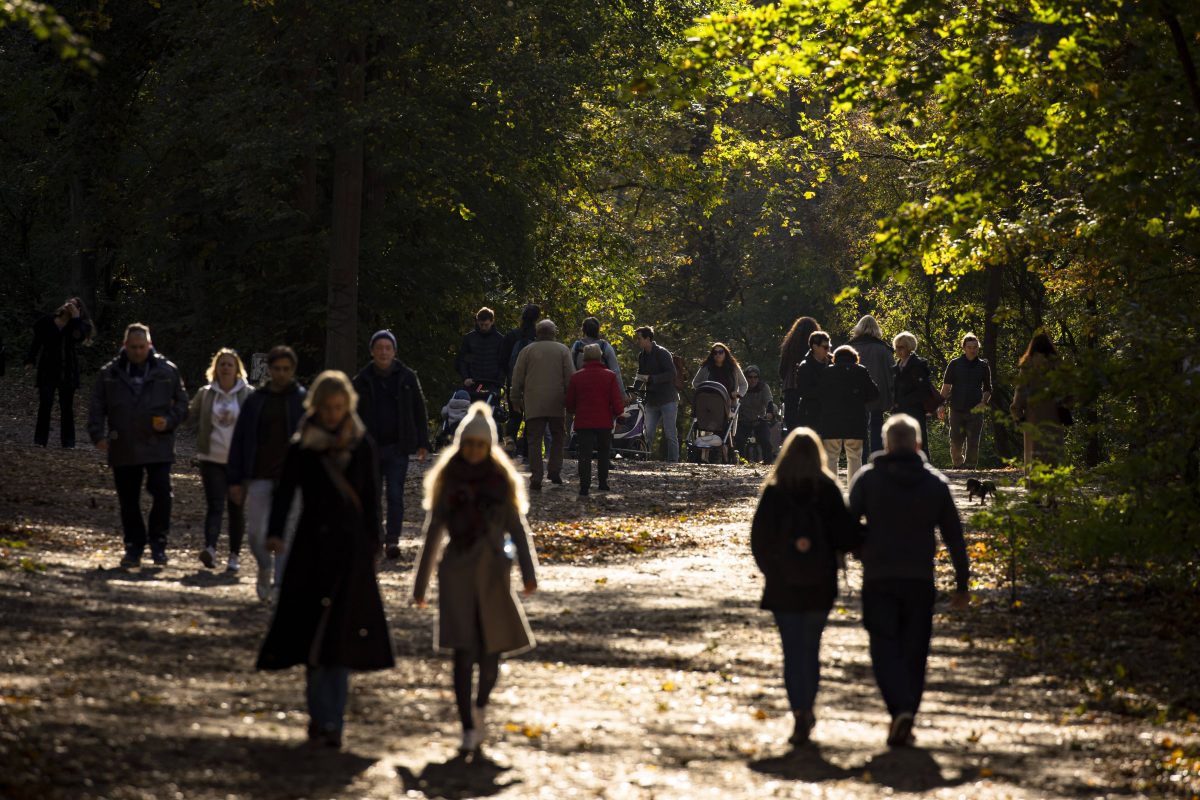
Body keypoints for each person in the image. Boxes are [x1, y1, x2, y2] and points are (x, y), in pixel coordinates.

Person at [256, 370, 393, 749]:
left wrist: (375, 542)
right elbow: (285, 492)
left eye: (338, 407)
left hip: (350, 551)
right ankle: (319, 716)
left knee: (341, 636)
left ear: (346, 406)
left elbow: (370, 499)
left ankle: (334, 721)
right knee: (313, 635)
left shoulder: (361, 445)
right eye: (327, 408)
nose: (333, 414)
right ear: (316, 407)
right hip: (311, 550)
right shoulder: (304, 446)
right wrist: (276, 532)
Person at [413, 402, 538, 754]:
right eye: (468, 443)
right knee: (462, 653)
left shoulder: (501, 482)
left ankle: (481, 704)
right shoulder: (448, 480)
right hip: (457, 576)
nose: (473, 450)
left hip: (494, 576)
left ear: (490, 446)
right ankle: (466, 724)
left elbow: (518, 529)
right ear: (460, 443)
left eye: (480, 444)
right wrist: (420, 586)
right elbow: (433, 534)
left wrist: (529, 574)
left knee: (491, 653)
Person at [848, 414, 970, 747]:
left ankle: (898, 709)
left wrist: (860, 548)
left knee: (883, 646)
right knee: (915, 651)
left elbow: (846, 526)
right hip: (919, 578)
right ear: (917, 444)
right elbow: (954, 537)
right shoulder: (934, 484)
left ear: (886, 443)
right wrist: (962, 583)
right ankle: (908, 713)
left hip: (879, 576)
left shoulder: (868, 479)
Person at [750, 428, 862, 746]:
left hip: (783, 586)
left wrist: (772, 572)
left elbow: (759, 540)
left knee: (791, 652)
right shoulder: (827, 489)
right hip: (819, 585)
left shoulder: (774, 489)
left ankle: (798, 711)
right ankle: (808, 706)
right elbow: (846, 536)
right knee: (810, 650)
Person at [87, 323, 188, 567]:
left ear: (149, 345)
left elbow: (183, 404)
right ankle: (134, 546)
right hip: (124, 444)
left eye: (142, 347)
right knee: (128, 499)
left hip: (159, 444)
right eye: (133, 347)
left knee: (162, 494)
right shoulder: (109, 373)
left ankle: (158, 544)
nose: (138, 351)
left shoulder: (167, 371)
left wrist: (170, 421)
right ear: (125, 346)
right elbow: (96, 406)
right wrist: (97, 434)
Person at [227, 345, 307, 601]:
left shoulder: (302, 400)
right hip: (259, 475)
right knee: (255, 533)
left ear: (293, 370)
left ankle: (279, 584)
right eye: (277, 369)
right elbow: (240, 440)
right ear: (269, 370)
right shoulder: (256, 400)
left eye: (286, 369)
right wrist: (236, 479)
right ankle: (264, 566)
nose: (281, 374)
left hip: (292, 478)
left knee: (286, 531)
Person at [352, 330, 431, 560]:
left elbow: (419, 410)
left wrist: (422, 442)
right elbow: (352, 412)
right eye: (379, 348)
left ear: (394, 351)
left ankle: (392, 540)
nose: (383, 352)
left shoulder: (407, 377)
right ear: (372, 351)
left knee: (395, 494)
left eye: (388, 348)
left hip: (398, 447)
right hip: (370, 447)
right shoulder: (362, 379)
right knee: (372, 495)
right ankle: (376, 537)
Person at [186, 348, 251, 571]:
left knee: (236, 508)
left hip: (239, 462)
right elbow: (190, 417)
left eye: (229, 364)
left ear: (237, 369)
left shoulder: (248, 394)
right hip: (211, 458)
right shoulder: (206, 393)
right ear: (215, 368)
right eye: (222, 364)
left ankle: (234, 556)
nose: (225, 368)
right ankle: (210, 549)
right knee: (214, 505)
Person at [510, 319, 575, 491]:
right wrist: (572, 400)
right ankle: (554, 471)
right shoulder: (562, 350)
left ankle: (536, 476)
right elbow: (570, 377)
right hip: (556, 401)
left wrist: (515, 398)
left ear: (537, 332)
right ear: (554, 332)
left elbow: (517, 376)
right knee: (558, 436)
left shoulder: (527, 350)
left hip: (533, 402)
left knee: (534, 440)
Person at [26, 297, 93, 448]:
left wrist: (76, 318)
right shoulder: (47, 321)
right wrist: (30, 359)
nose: (69, 306)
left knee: (66, 407)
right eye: (68, 303)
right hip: (47, 369)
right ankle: (40, 441)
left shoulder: (77, 325)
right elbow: (37, 341)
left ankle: (68, 443)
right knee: (45, 403)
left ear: (78, 310)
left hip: (67, 371)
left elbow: (79, 338)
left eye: (74, 305)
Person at [566, 343, 626, 497]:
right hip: (604, 421)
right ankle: (603, 482)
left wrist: (573, 411)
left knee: (584, 454)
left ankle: (584, 487)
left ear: (584, 358)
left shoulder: (576, 377)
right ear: (600, 356)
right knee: (604, 452)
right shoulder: (610, 376)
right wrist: (620, 414)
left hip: (584, 421)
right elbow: (616, 400)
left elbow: (570, 403)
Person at [817, 345, 880, 488]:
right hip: (855, 421)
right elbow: (874, 393)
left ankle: (832, 492)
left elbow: (819, 394)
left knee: (831, 456)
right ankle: (854, 491)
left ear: (835, 358)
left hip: (831, 421)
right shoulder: (861, 371)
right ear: (854, 358)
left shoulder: (827, 372)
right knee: (855, 456)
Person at [1010, 332, 1066, 468]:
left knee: (1034, 451)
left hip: (1033, 414)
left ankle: (1035, 483)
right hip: (1054, 414)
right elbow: (1067, 390)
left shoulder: (1027, 365)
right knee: (1053, 449)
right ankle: (1054, 482)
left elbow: (1021, 391)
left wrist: (1017, 413)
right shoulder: (1058, 364)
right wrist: (1066, 409)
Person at [940, 333, 992, 469]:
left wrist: (984, 402)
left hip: (976, 408)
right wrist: (941, 404)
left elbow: (988, 388)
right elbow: (946, 387)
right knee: (955, 440)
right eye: (969, 347)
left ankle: (970, 467)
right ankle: (958, 464)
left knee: (973, 440)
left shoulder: (983, 366)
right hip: (956, 407)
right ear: (964, 347)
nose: (972, 350)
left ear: (978, 348)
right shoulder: (954, 364)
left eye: (975, 347)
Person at [848, 315, 894, 454]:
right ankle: (876, 459)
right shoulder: (883, 349)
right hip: (877, 396)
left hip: (855, 396)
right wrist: (893, 397)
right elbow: (892, 373)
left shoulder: (849, 348)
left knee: (858, 429)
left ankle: (860, 461)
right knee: (877, 428)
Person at [634, 325, 680, 462]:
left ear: (648, 339)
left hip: (668, 399)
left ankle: (673, 462)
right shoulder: (641, 356)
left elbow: (672, 374)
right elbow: (641, 376)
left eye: (639, 338)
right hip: (652, 400)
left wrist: (653, 379)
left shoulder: (662, 353)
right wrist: (633, 391)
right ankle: (644, 458)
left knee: (670, 433)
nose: (638, 341)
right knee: (647, 433)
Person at [501, 304, 540, 456]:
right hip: (534, 384)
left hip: (513, 381)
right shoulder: (538, 337)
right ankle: (527, 452)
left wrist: (507, 378)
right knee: (531, 417)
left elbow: (503, 359)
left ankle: (510, 446)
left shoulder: (512, 335)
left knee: (514, 415)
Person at [891, 332, 936, 458]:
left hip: (914, 410)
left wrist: (906, 401)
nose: (898, 350)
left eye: (902, 347)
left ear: (909, 347)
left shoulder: (917, 366)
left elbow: (923, 390)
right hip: (899, 410)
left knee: (918, 440)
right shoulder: (897, 366)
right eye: (896, 347)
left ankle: (924, 468)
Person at [779, 316, 820, 435]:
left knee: (792, 422)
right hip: (813, 389)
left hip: (791, 387)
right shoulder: (816, 348)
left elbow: (782, 369)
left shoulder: (789, 346)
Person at [455, 307, 507, 398]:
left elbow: (503, 362)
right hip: (473, 382)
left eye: (486, 325)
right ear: (477, 322)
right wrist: (465, 377)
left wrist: (499, 381)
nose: (483, 327)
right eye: (481, 324)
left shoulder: (500, 339)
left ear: (492, 322)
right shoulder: (469, 338)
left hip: (492, 383)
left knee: (491, 408)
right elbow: (462, 360)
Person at [734, 365, 777, 464]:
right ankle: (741, 463)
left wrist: (769, 413)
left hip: (760, 420)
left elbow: (769, 401)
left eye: (755, 377)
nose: (753, 380)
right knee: (739, 441)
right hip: (743, 420)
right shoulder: (740, 387)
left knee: (766, 442)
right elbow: (734, 401)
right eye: (750, 377)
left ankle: (768, 465)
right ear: (746, 378)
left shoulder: (763, 387)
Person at [793, 330, 832, 430]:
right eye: (825, 347)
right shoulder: (805, 367)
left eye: (829, 347)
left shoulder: (833, 364)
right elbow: (804, 392)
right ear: (815, 347)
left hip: (829, 416)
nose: (828, 350)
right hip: (811, 416)